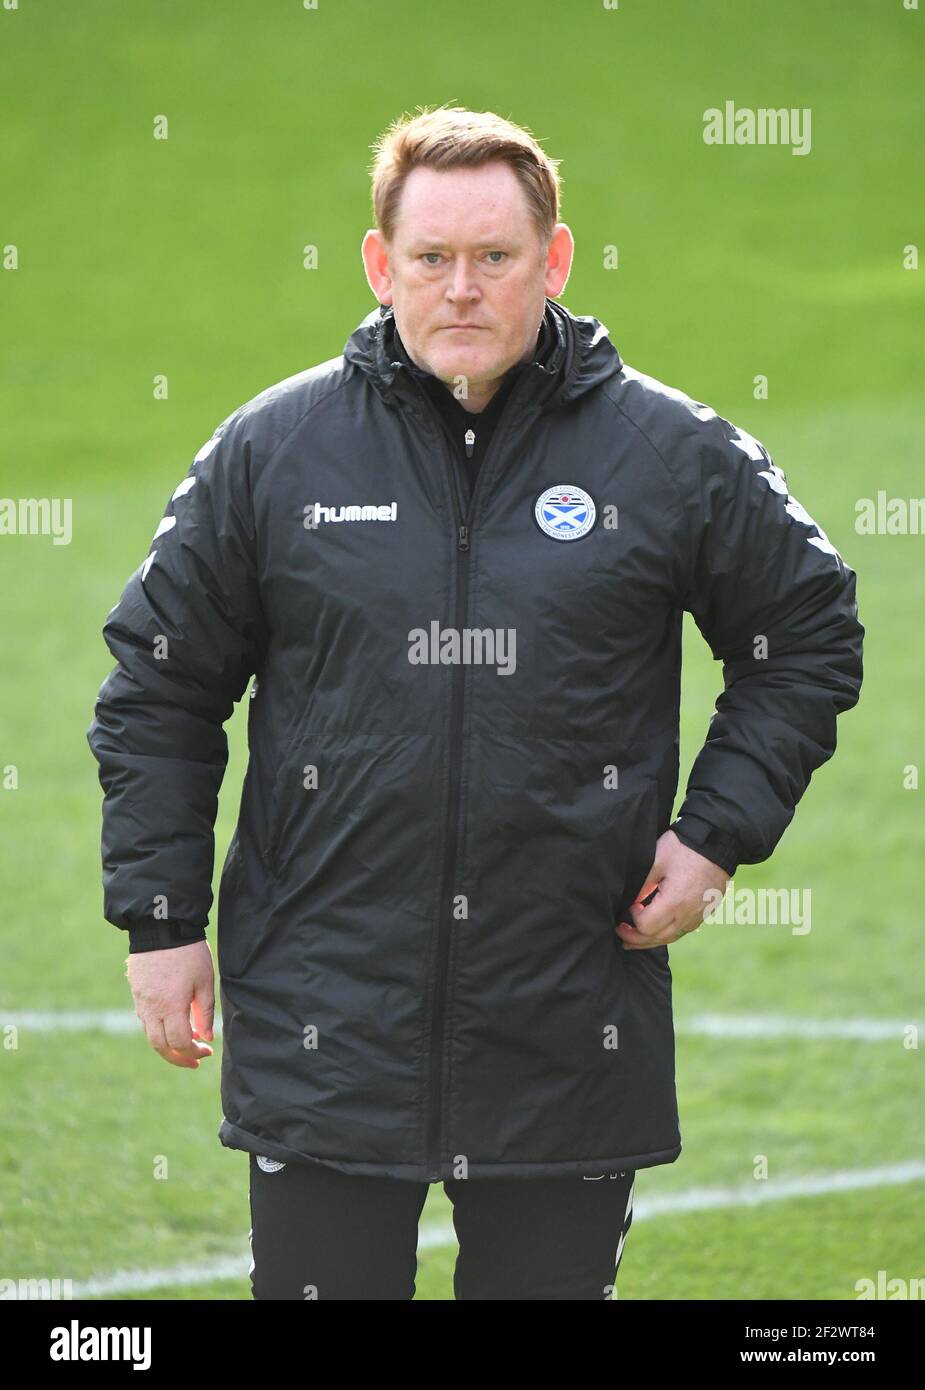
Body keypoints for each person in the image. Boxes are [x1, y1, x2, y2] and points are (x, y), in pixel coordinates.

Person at [87, 104, 864, 1300]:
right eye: (431, 258)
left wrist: (715, 837)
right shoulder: (273, 452)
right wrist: (160, 917)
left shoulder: (666, 454)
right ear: (377, 262)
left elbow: (806, 630)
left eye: (494, 258)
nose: (461, 288)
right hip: (324, 1017)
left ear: (551, 261)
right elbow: (158, 683)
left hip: (566, 1014)